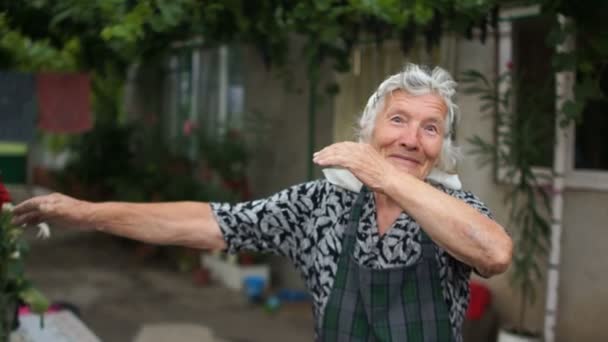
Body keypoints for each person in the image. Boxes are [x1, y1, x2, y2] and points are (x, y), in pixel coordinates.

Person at [12, 63, 512, 341]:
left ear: (441, 151)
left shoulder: (453, 209)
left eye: (430, 129)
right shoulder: (320, 206)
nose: (411, 138)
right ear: (369, 130)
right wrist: (84, 211)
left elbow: (494, 253)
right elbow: (207, 223)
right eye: (398, 120)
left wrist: (387, 177)